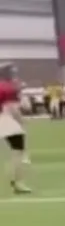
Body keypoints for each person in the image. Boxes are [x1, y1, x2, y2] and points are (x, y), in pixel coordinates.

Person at [0, 63, 31, 195]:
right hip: (5, 119)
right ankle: (17, 182)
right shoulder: (8, 87)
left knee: (16, 151)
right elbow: (11, 108)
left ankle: (16, 181)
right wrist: (21, 120)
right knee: (18, 151)